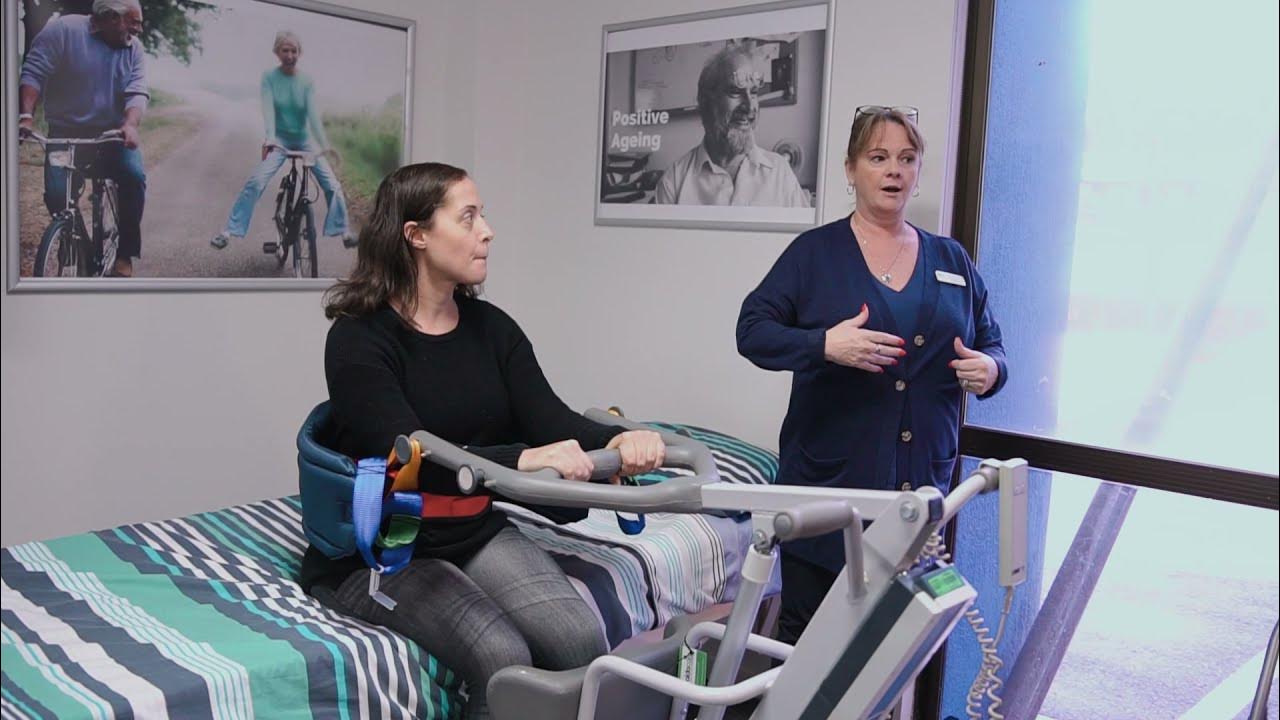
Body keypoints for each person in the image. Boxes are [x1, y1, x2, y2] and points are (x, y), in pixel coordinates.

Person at [307, 162, 667, 719]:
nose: (488, 230)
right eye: (469, 216)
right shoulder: (358, 339)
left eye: (483, 215)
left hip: (470, 528)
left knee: (579, 641)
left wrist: (625, 439)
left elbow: (552, 420)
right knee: (502, 656)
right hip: (383, 549)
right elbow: (409, 455)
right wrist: (521, 458)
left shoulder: (491, 329)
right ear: (417, 235)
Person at [735, 107, 1007, 645]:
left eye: (907, 159)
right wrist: (824, 344)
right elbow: (752, 332)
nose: (894, 172)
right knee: (808, 649)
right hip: (829, 490)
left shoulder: (950, 258)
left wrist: (991, 369)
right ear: (851, 168)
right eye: (878, 158)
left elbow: (992, 342)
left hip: (920, 493)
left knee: (888, 651)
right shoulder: (815, 255)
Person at [18, 0, 149, 278]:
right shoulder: (63, 32)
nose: (139, 29)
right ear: (112, 17)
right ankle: (75, 242)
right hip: (65, 133)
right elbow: (33, 72)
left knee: (133, 176)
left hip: (112, 135)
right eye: (134, 22)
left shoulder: (134, 49)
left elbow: (137, 91)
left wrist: (130, 124)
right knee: (57, 196)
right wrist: (26, 117)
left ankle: (125, 254)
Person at [212, 31, 356, 250]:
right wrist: (270, 138)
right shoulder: (269, 78)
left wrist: (324, 145)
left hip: (305, 141)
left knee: (332, 186)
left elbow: (313, 116)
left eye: (294, 51)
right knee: (256, 182)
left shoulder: (306, 81)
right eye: (285, 50)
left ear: (300, 53)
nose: (290, 55)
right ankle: (228, 231)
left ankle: (343, 231)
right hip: (279, 140)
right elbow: (268, 109)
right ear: (277, 52)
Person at [655, 45, 809, 208]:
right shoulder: (673, 182)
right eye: (735, 92)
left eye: (754, 92)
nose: (750, 107)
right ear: (706, 101)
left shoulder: (780, 173)